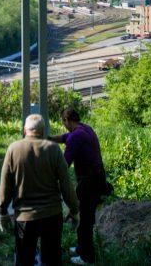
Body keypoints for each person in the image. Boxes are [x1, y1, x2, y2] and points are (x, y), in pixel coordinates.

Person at [0, 113, 79, 266]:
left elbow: (5, 185)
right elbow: (66, 186)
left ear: (24, 130)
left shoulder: (13, 149)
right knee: (52, 260)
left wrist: (3, 212)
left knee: (24, 260)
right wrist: (74, 211)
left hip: (24, 217)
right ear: (43, 131)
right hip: (52, 215)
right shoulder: (54, 149)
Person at [49, 108, 107, 265]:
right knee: (86, 216)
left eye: (63, 121)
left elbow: (63, 165)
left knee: (84, 220)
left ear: (67, 119)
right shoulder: (85, 129)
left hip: (89, 182)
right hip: (98, 178)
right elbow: (64, 137)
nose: (64, 125)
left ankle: (87, 257)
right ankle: (82, 248)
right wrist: (48, 139)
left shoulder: (76, 137)